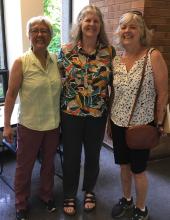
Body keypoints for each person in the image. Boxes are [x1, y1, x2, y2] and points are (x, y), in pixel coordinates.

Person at [109, 11, 168, 220]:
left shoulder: (153, 56)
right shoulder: (116, 60)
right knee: (123, 166)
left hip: (141, 125)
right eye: (123, 27)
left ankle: (141, 209)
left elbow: (163, 93)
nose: (127, 31)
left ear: (141, 31)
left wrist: (159, 123)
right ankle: (126, 199)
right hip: (117, 122)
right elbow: (113, 92)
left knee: (139, 170)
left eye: (132, 26)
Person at [58, 4, 115, 216]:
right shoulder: (66, 51)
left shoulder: (109, 52)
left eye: (95, 21)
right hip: (70, 114)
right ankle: (69, 194)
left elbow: (114, 86)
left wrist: (111, 117)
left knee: (93, 155)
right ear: (80, 24)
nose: (91, 24)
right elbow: (56, 82)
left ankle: (90, 190)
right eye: (87, 20)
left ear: (100, 26)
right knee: (71, 156)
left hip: (97, 115)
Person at [3, 16, 61, 220]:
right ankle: (20, 203)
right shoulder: (21, 62)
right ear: (29, 36)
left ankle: (46, 195)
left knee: (49, 164)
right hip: (30, 125)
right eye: (35, 31)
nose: (39, 34)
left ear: (50, 36)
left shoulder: (55, 60)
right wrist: (7, 125)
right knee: (24, 166)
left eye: (44, 31)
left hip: (53, 124)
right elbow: (10, 95)